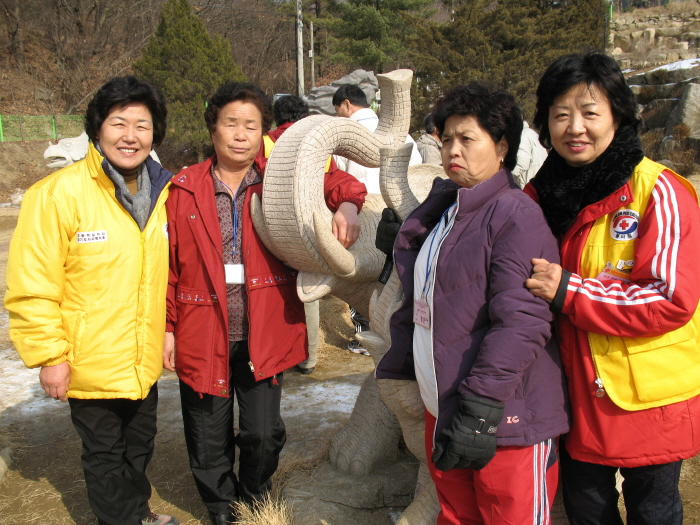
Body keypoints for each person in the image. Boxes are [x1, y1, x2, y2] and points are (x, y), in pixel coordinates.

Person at [164, 83, 367, 525]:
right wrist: (167, 328)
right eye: (230, 123)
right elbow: (170, 267)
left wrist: (349, 205)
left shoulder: (279, 177)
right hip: (202, 328)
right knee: (207, 435)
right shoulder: (182, 189)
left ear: (263, 132)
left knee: (262, 432)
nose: (240, 134)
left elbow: (337, 179)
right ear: (213, 128)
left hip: (266, 327)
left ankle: (255, 498)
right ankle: (222, 511)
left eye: (251, 125)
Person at [376, 82, 570, 525]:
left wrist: (481, 408)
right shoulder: (449, 211)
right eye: (446, 139)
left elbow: (522, 321)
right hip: (445, 406)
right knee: (458, 516)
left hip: (504, 417)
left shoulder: (514, 214)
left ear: (502, 146)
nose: (452, 150)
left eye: (467, 138)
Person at [525, 51, 700, 525]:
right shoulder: (538, 197)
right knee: (587, 511)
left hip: (645, 399)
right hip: (573, 394)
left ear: (618, 117)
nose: (574, 127)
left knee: (654, 512)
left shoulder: (658, 192)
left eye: (589, 112)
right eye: (560, 115)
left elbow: (669, 299)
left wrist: (571, 292)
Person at [5, 77, 178, 525]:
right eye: (118, 123)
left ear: (155, 134)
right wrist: (49, 356)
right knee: (105, 454)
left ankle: (136, 511)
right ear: (97, 129)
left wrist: (168, 332)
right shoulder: (57, 194)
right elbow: (32, 284)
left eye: (142, 125)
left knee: (139, 445)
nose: (130, 135)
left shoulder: (164, 193)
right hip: (88, 358)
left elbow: (166, 276)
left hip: (141, 359)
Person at [266, 94, 367, 374]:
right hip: (303, 240)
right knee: (306, 295)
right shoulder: (316, 150)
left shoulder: (263, 144)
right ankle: (307, 358)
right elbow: (335, 181)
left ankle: (269, 358)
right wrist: (349, 202)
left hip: (265, 240)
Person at [333, 83, 423, 355]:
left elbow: (340, 178)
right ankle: (393, 334)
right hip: (400, 218)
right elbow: (417, 174)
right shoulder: (403, 134)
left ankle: (364, 336)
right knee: (394, 278)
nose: (338, 114)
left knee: (360, 278)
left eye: (337, 109)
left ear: (347, 104)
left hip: (361, 217)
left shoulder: (346, 134)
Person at [511, 121, 547, 189]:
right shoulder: (533, 135)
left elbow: (521, 163)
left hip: (528, 187)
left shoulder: (522, 136)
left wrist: (502, 177)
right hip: (538, 186)